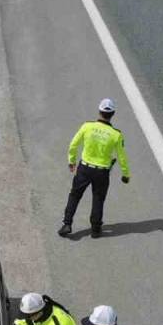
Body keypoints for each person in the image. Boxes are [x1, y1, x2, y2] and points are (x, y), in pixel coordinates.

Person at [59, 99, 130, 239]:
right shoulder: (116, 134)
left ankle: (67, 224)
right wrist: (125, 174)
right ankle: (96, 230)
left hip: (84, 168)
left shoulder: (87, 126)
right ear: (113, 114)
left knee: (75, 195)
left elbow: (73, 144)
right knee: (98, 199)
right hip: (102, 172)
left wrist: (71, 161)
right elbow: (122, 157)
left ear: (99, 111)